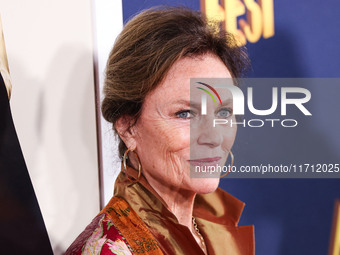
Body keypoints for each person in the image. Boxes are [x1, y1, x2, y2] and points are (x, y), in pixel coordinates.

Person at [65, 6, 254, 255]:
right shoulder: (109, 249)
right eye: (185, 113)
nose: (214, 136)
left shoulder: (211, 222)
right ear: (127, 127)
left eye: (223, 113)